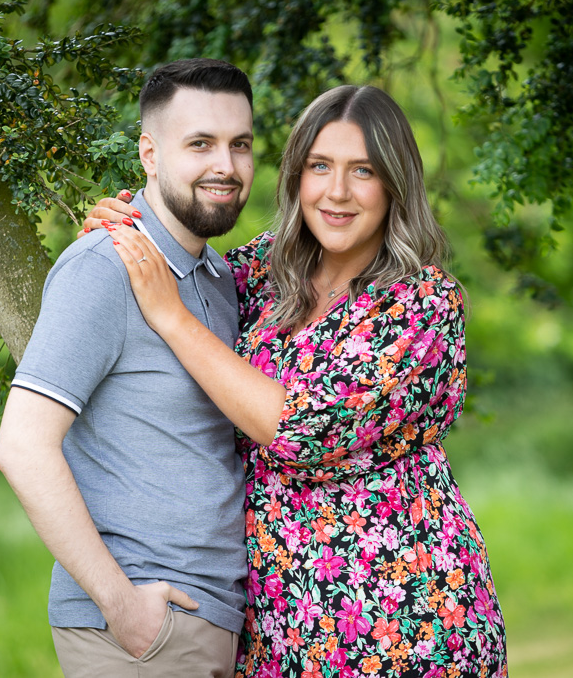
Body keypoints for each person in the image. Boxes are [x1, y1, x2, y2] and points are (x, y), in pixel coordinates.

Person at [87, 85, 507, 677]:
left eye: (362, 170)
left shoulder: (421, 303)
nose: (337, 192)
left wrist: (173, 318)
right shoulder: (265, 271)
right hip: (277, 622)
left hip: (403, 613)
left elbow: (300, 430)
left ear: (394, 183)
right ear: (295, 176)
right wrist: (129, 221)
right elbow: (173, 272)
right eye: (320, 167)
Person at [0, 58, 256, 678]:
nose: (225, 165)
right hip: (143, 631)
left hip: (212, 622)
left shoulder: (220, 279)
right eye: (200, 144)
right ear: (150, 154)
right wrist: (125, 610)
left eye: (239, 144)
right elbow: (22, 448)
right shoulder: (103, 267)